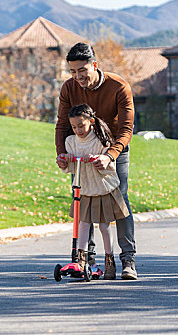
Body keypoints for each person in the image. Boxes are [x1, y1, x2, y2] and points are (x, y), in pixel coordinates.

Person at [55, 42, 137, 280]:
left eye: (82, 70)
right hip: (81, 150)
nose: (78, 76)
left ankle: (127, 260)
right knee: (83, 199)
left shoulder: (118, 86)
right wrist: (62, 153)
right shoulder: (69, 88)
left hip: (113, 150)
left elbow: (126, 128)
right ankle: (85, 262)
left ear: (94, 65)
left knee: (119, 200)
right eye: (72, 71)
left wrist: (110, 155)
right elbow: (62, 124)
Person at [60, 104, 129, 280]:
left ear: (91, 121)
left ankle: (109, 262)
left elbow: (109, 165)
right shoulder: (71, 142)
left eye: (81, 126)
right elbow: (70, 167)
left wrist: (100, 160)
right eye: (74, 127)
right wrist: (65, 160)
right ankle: (80, 261)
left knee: (104, 226)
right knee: (83, 224)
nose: (78, 130)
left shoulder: (100, 141)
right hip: (84, 189)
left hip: (101, 188)